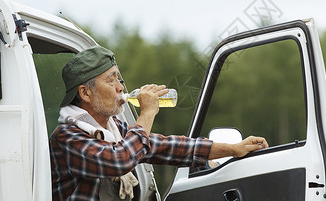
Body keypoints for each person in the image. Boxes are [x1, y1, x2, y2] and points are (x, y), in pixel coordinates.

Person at [49, 46, 268, 201]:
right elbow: (119, 159)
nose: (120, 88)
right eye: (111, 79)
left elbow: (167, 147)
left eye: (119, 79)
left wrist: (233, 149)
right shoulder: (68, 137)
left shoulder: (114, 129)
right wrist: (148, 112)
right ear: (85, 93)